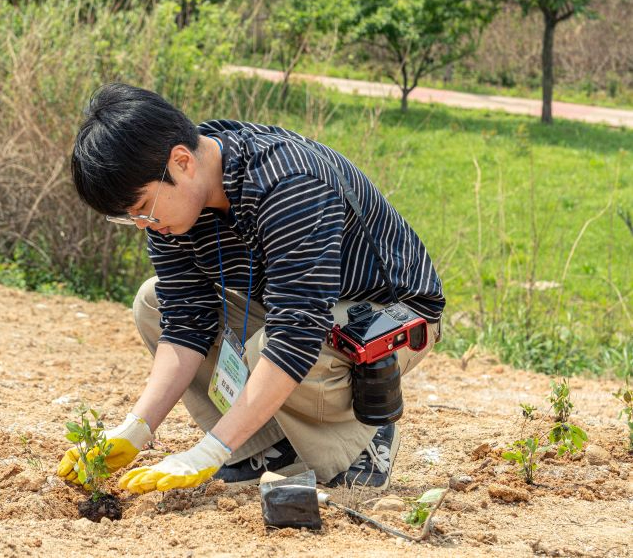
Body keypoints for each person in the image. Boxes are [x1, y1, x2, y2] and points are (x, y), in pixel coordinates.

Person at [57, 83, 444, 495]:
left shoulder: (290, 183)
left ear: (182, 161)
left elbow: (296, 333)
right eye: (131, 217)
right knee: (152, 304)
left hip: (391, 320)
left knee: (270, 345)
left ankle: (365, 437)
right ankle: (268, 449)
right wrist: (136, 428)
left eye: (143, 209)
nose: (142, 225)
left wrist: (210, 451)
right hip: (301, 311)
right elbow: (187, 321)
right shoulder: (174, 206)